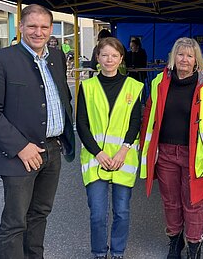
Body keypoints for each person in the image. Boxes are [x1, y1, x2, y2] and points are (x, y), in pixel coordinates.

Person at [0, 4, 75, 259]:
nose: (38, 32)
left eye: (44, 27)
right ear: (20, 27)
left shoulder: (56, 57)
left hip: (52, 149)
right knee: (15, 222)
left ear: (51, 29)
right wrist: (21, 146)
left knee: (40, 214)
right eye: (32, 26)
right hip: (21, 154)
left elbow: (62, 97)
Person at [140, 37, 203, 259]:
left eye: (189, 55)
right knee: (171, 201)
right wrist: (145, 146)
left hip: (194, 154)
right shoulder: (160, 81)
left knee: (194, 202)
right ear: (173, 58)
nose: (184, 59)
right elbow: (149, 114)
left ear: (196, 60)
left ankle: (194, 247)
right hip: (166, 153)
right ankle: (175, 242)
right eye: (180, 54)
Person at [76, 37, 143, 259]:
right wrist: (99, 153)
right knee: (98, 214)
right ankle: (98, 253)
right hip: (96, 160)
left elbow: (136, 123)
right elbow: (82, 124)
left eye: (114, 55)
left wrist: (123, 150)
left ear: (121, 59)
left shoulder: (134, 86)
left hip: (123, 158)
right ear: (97, 57)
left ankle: (117, 253)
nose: (109, 60)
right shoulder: (87, 87)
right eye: (104, 55)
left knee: (122, 212)